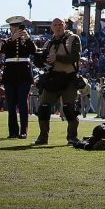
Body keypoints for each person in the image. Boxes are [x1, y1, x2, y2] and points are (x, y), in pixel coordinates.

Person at [32, 17, 82, 146]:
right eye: (55, 25)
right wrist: (38, 59)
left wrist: (56, 58)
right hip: (52, 78)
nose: (58, 27)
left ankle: (72, 137)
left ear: (64, 25)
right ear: (52, 27)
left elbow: (75, 57)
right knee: (43, 107)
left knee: (69, 108)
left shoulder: (74, 38)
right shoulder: (48, 43)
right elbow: (43, 62)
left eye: (60, 24)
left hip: (69, 77)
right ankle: (43, 137)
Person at [0, 16, 37, 138]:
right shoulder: (5, 41)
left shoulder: (27, 40)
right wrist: (12, 40)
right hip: (10, 74)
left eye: (18, 27)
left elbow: (33, 51)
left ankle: (23, 131)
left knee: (23, 103)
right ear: (10, 28)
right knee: (11, 104)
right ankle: (13, 132)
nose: (15, 29)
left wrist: (28, 38)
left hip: (24, 75)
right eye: (13, 27)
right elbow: (1, 51)